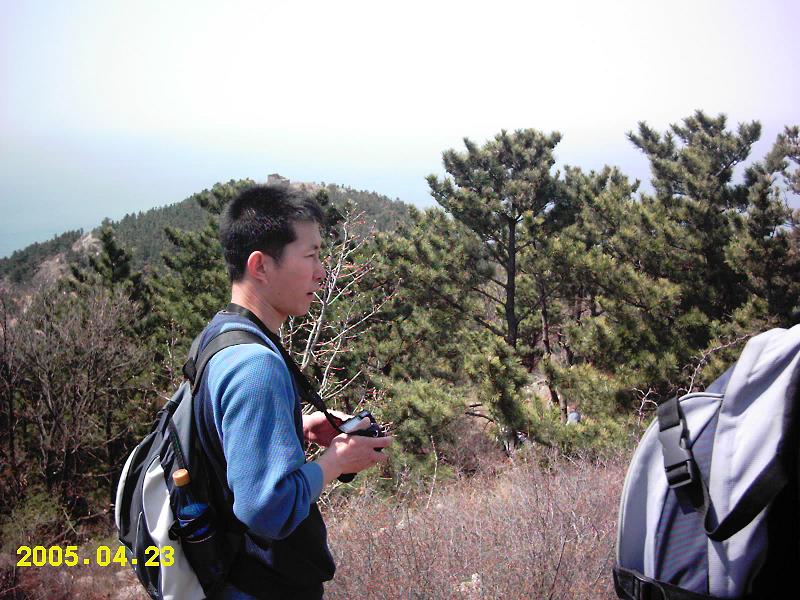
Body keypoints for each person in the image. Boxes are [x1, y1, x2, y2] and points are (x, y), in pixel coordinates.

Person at [193, 183, 392, 599]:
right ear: (261, 266)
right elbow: (267, 509)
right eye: (311, 255)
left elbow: (218, 435)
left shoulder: (222, 333)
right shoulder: (255, 365)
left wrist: (293, 426)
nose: (321, 271)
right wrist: (335, 462)